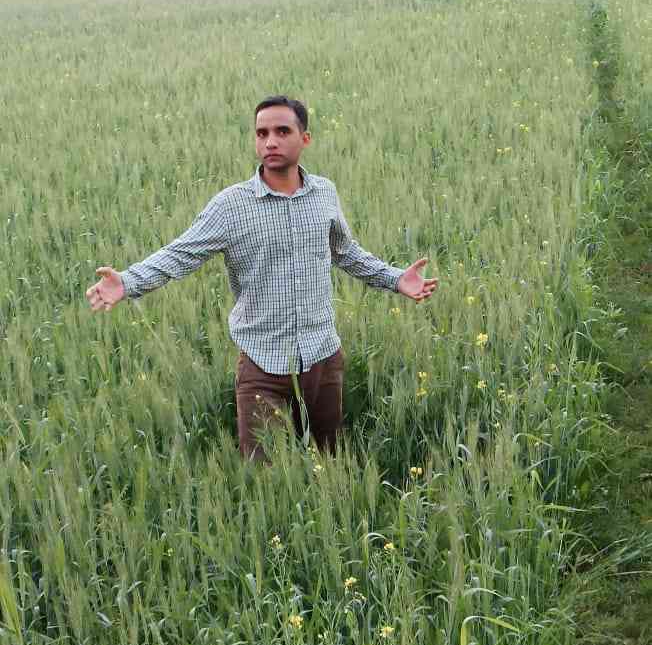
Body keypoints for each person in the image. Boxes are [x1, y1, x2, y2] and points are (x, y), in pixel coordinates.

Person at [86, 94, 438, 461]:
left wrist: (395, 278)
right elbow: (180, 254)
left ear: (305, 138)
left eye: (282, 131)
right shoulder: (231, 206)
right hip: (263, 367)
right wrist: (127, 282)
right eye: (262, 133)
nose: (270, 141)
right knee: (266, 474)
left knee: (330, 461)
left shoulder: (324, 194)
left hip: (323, 360)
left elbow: (344, 251)